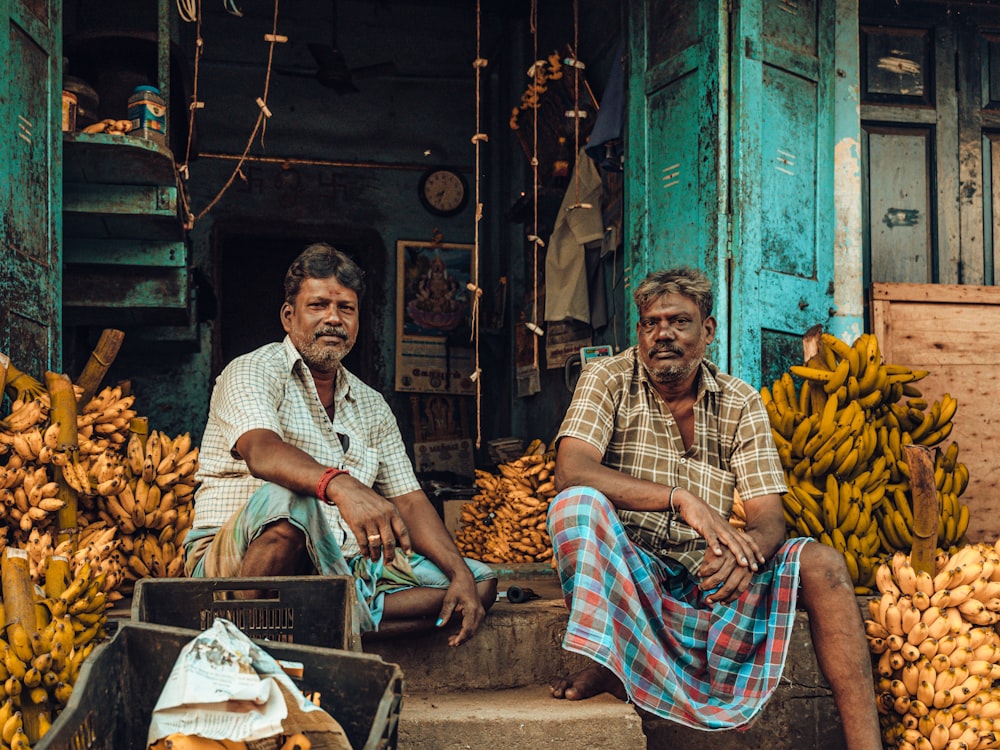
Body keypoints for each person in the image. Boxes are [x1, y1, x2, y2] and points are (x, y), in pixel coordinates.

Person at [546, 267, 881, 748]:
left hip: (709, 575)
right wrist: (679, 498)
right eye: (650, 323)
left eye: (679, 321)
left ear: (707, 330)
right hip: (632, 567)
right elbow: (572, 470)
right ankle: (610, 663)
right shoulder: (608, 378)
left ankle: (866, 744)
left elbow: (768, 517)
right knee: (575, 507)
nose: (662, 334)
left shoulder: (741, 401)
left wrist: (746, 554)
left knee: (824, 564)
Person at [184, 242, 497, 646]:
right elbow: (261, 451)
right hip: (236, 561)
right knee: (291, 499)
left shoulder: (371, 405)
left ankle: (316, 624)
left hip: (339, 565)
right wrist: (341, 484)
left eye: (346, 309)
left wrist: (458, 572)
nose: (333, 319)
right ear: (288, 316)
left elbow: (410, 500)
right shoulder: (251, 371)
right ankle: (249, 636)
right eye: (318, 306)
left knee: (480, 584)